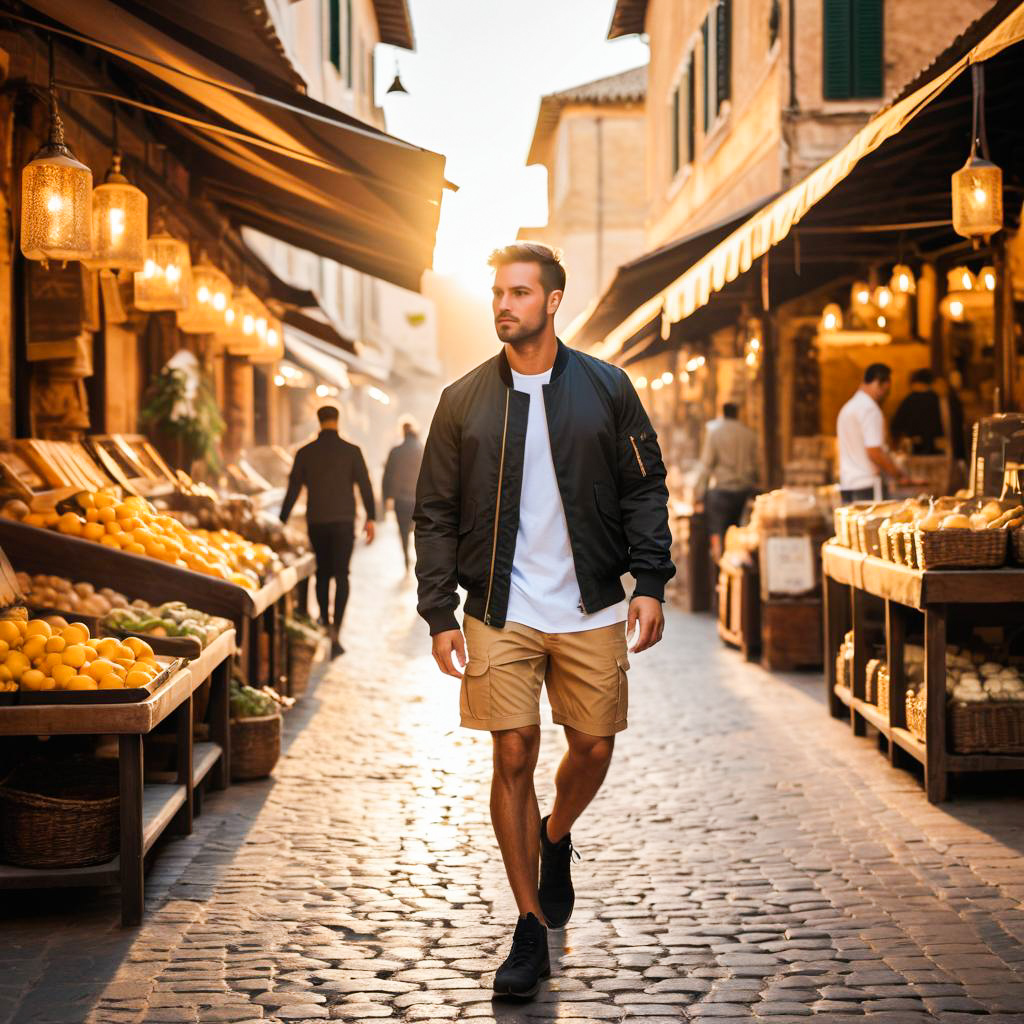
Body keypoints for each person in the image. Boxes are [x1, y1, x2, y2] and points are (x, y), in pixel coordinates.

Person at [414, 242, 674, 1001]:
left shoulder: (608, 388)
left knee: (592, 745)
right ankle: (528, 925)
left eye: (521, 293)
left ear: (553, 301)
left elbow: (644, 486)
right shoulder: (462, 400)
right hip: (500, 607)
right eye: (498, 292)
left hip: (590, 602)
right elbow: (432, 512)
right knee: (513, 753)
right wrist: (439, 611)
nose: (504, 305)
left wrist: (649, 581)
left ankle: (554, 837)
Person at [279, 406, 376, 657]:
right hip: (344, 521)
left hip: (317, 520)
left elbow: (292, 489)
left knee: (322, 573)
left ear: (319, 421)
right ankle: (336, 632)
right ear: (337, 421)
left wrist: (282, 520)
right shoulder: (352, 451)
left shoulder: (305, 452)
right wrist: (371, 518)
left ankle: (324, 619)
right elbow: (365, 485)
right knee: (342, 574)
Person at [696, 402, 760, 561]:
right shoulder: (749, 434)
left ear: (722, 413)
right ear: (737, 413)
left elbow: (706, 464)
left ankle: (720, 573)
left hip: (721, 493)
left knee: (718, 533)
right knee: (740, 538)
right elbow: (756, 464)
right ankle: (737, 569)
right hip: (744, 492)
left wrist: (698, 494)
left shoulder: (714, 432)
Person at [837, 363, 908, 503]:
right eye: (886, 391)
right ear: (878, 384)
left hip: (847, 484)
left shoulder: (847, 408)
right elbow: (874, 451)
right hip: (867, 486)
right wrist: (898, 475)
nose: (886, 397)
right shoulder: (870, 410)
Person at [382, 418, 423, 572]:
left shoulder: (395, 451)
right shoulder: (422, 449)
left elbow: (387, 476)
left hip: (401, 500)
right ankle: (419, 559)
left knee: (403, 530)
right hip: (418, 499)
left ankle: (406, 557)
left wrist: (387, 498)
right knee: (420, 531)